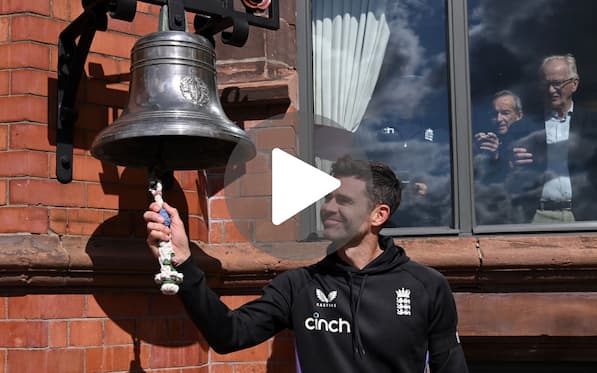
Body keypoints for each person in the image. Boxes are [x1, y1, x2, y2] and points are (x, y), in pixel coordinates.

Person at [144, 155, 469, 373]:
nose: (328, 207)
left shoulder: (426, 286)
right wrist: (185, 263)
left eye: (343, 200)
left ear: (378, 215)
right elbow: (229, 335)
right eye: (327, 197)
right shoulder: (300, 285)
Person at [508, 54, 597, 223]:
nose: (551, 90)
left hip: (586, 213)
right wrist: (509, 163)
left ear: (574, 84)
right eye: (546, 84)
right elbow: (497, 168)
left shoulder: (593, 123)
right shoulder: (524, 127)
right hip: (536, 215)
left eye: (557, 83)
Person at [473, 90, 528, 224]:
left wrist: (499, 160)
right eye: (494, 114)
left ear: (519, 115)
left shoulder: (527, 142)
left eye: (505, 113)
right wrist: (477, 153)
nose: (499, 119)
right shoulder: (481, 142)